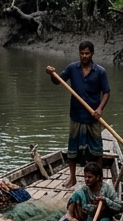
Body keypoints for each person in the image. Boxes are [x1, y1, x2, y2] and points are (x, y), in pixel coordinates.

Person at [46, 40, 111, 188]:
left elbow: (106, 92)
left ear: (92, 54)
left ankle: (98, 179)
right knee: (72, 149)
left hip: (92, 116)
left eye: (87, 53)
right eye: (82, 53)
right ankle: (72, 178)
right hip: (76, 115)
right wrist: (52, 74)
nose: (84, 56)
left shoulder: (100, 71)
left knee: (97, 150)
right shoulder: (72, 68)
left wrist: (100, 109)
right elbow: (58, 81)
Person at [36, 162, 120, 221]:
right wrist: (72, 219)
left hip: (102, 220)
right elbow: (69, 212)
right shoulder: (81, 191)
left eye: (90, 177)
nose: (86, 179)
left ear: (98, 177)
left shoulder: (107, 190)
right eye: (85, 177)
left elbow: (120, 206)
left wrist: (106, 201)